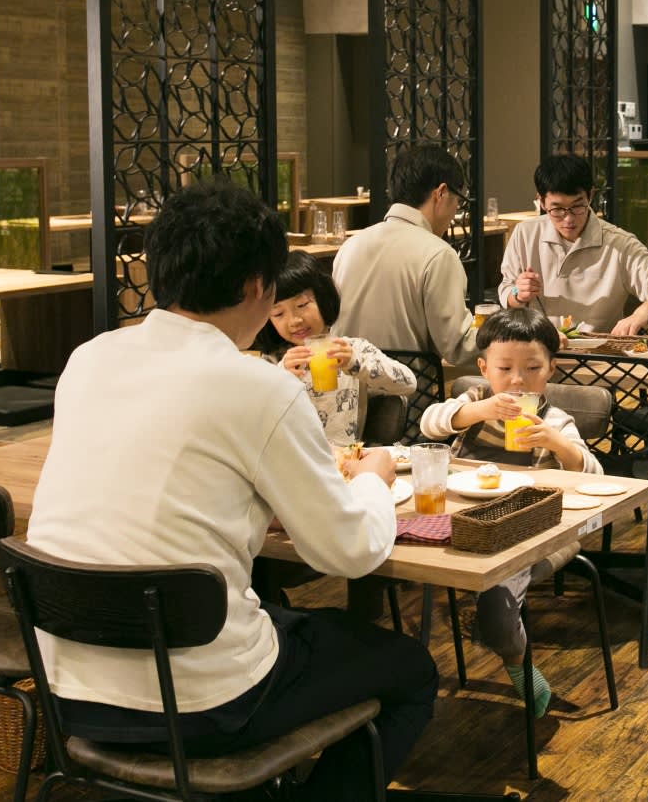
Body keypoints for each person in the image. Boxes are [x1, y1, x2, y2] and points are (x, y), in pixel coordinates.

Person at [25, 180, 436, 798]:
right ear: (254, 286)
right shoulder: (259, 387)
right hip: (201, 702)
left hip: (67, 690)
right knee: (409, 670)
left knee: (275, 617)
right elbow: (349, 551)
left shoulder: (89, 358)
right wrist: (375, 481)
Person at [417, 308, 602, 718]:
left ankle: (518, 663)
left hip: (530, 531)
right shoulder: (474, 403)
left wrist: (557, 444)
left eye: (532, 368)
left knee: (497, 600)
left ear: (551, 369)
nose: (518, 380)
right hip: (463, 521)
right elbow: (430, 423)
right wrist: (477, 411)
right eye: (504, 369)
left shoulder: (555, 420)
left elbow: (594, 475)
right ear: (484, 369)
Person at [499, 154, 648, 336]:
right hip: (535, 347)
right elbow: (507, 288)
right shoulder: (526, 233)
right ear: (541, 201)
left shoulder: (619, 244)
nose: (568, 219)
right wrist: (518, 293)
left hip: (598, 349)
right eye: (557, 209)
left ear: (590, 195)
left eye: (577, 206)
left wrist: (641, 313)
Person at [333, 145, 478, 365]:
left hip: (346, 383)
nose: (454, 212)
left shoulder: (350, 246)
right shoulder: (438, 254)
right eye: (457, 200)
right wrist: (503, 332)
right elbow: (457, 347)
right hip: (409, 385)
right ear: (441, 193)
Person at [254, 250, 417, 446]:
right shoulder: (272, 362)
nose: (294, 321)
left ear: (323, 298)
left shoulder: (352, 350)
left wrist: (356, 363)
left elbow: (408, 384)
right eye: (279, 314)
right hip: (291, 458)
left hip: (345, 458)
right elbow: (254, 418)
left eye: (302, 305)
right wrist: (281, 377)